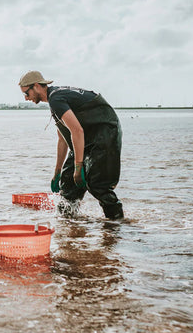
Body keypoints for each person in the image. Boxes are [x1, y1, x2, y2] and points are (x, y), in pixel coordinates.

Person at [18, 70, 124, 220]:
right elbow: (63, 139)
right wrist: (57, 171)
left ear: (36, 86)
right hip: (86, 137)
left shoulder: (56, 98)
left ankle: (116, 224)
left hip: (105, 132)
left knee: (97, 184)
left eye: (26, 93)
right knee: (67, 185)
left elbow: (77, 130)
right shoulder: (54, 100)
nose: (26, 98)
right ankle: (69, 228)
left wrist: (79, 166)